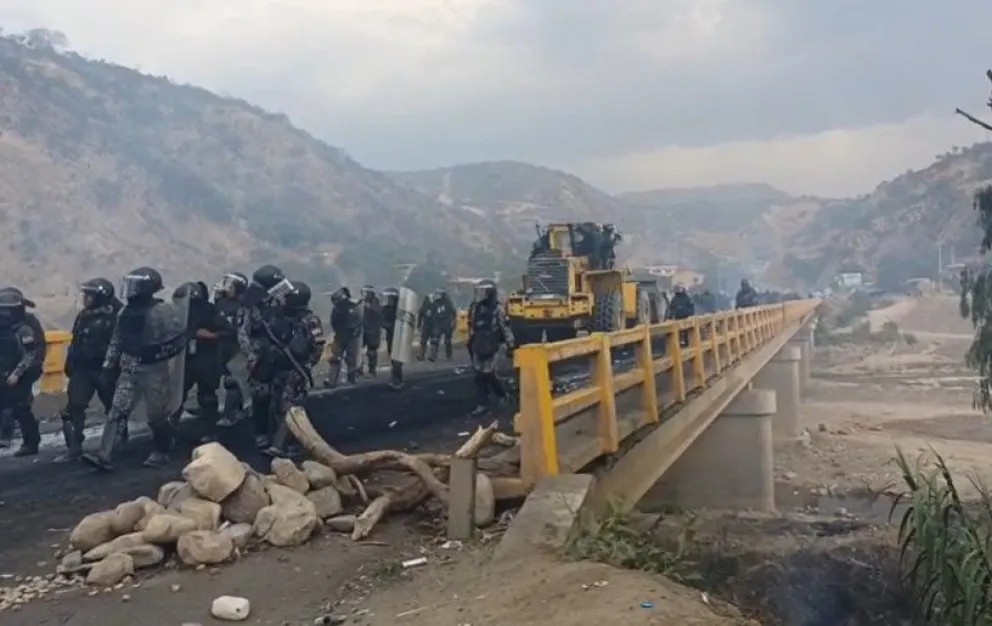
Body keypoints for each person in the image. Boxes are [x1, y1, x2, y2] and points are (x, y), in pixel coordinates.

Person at [84, 266, 188, 470]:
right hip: (129, 370)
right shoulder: (125, 311)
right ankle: (104, 455)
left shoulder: (163, 311)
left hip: (154, 370)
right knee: (116, 411)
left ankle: (161, 450)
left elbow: (178, 338)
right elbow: (117, 340)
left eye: (134, 285)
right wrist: (108, 366)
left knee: (157, 415)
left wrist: (160, 354)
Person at [55, 278, 122, 462]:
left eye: (89, 295)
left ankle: (116, 445)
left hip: (106, 369)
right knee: (72, 410)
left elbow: (120, 343)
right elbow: (76, 341)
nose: (86, 298)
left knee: (114, 409)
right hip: (83, 369)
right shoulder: (84, 315)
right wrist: (70, 363)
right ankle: (74, 449)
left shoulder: (116, 314)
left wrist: (113, 367)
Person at [238, 264, 295, 450]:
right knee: (261, 398)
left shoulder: (277, 301)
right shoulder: (248, 305)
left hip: (280, 353)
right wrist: (251, 356)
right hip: (261, 357)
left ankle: (280, 436)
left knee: (282, 398)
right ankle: (261, 433)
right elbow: (242, 333)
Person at [265, 281, 324, 457]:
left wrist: (306, 366)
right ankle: (282, 443)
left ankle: (282, 446)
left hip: (296, 370)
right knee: (276, 406)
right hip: (279, 368)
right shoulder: (281, 317)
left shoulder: (310, 320)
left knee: (290, 408)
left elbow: (318, 345)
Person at [172, 281, 225, 442]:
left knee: (206, 396)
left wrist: (211, 335)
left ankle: (209, 430)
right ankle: (171, 428)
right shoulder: (177, 311)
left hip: (204, 357)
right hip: (185, 358)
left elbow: (226, 330)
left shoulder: (209, 310)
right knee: (177, 396)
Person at [0, 289, 46, 456]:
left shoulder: (24, 328)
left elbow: (32, 353)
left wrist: (18, 373)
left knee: (20, 408)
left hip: (21, 373)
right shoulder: (5, 327)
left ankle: (31, 442)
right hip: (6, 370)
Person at [467, 280, 514, 416]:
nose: (480, 295)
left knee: (489, 373)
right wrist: (471, 340)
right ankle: (483, 403)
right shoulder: (475, 308)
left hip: (494, 345)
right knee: (478, 375)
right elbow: (472, 325)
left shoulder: (497, 309)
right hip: (479, 343)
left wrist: (510, 344)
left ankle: (502, 395)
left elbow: (505, 327)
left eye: (484, 292)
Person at [213, 272, 248, 427]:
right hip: (221, 346)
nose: (225, 288)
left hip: (235, 348)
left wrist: (215, 334)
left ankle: (231, 413)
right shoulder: (221, 302)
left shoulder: (241, 306)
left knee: (231, 380)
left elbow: (236, 329)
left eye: (230, 285)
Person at [326, 287, 363, 387]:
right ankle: (337, 380)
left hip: (347, 336)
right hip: (343, 336)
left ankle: (339, 380)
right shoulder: (349, 307)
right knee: (341, 359)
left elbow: (358, 322)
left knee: (347, 359)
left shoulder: (351, 307)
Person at [380, 287, 405, 389]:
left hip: (398, 336)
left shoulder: (400, 310)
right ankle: (396, 378)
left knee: (396, 359)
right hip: (391, 336)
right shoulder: (386, 309)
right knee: (394, 358)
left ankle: (397, 380)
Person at [360, 285, 384, 376]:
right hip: (362, 330)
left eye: (367, 292)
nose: (365, 295)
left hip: (373, 331)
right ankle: (359, 370)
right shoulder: (361, 302)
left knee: (372, 352)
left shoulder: (376, 303)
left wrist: (369, 308)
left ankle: (372, 369)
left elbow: (380, 316)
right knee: (359, 352)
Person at [429, 287, 456, 361]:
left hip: (446, 323)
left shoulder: (448, 302)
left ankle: (449, 355)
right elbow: (432, 312)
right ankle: (433, 356)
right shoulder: (435, 303)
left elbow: (453, 313)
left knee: (447, 341)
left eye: (440, 294)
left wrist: (453, 322)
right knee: (435, 340)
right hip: (438, 323)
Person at [416, 292, 435, 360]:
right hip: (426, 326)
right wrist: (419, 325)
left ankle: (433, 356)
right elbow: (420, 315)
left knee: (434, 341)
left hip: (434, 326)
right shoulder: (424, 307)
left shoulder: (435, 306)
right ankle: (421, 355)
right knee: (423, 341)